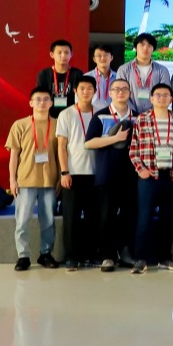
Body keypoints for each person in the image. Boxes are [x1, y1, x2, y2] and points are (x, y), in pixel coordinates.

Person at [128, 83, 173, 274]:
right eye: (158, 95)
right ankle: (140, 259)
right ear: (151, 98)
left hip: (171, 175)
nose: (162, 98)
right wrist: (140, 169)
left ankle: (164, 258)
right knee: (144, 218)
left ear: (171, 99)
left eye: (166, 95)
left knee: (167, 218)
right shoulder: (142, 119)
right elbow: (133, 149)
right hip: (148, 175)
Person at [84, 79, 136, 272]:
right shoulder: (100, 116)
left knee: (129, 215)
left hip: (131, 175)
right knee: (107, 216)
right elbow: (89, 143)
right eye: (116, 89)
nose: (120, 92)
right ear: (110, 93)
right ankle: (107, 255)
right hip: (107, 174)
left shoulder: (137, 117)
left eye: (124, 89)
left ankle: (125, 253)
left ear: (129, 92)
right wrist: (114, 138)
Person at [8, 88, 61, 271]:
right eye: (37, 99)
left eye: (46, 99)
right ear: (30, 103)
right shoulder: (20, 125)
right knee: (22, 220)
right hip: (25, 180)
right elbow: (14, 155)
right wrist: (12, 180)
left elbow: (61, 154)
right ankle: (23, 256)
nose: (42, 103)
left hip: (49, 181)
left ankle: (45, 254)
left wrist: (60, 177)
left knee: (48, 221)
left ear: (51, 103)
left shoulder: (58, 124)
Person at [56, 75, 100, 271]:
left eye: (89, 88)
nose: (85, 92)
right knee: (71, 218)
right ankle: (71, 257)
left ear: (95, 91)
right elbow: (61, 146)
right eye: (82, 88)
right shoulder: (66, 114)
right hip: (73, 173)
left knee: (93, 217)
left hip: (96, 174)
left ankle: (89, 254)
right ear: (75, 91)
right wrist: (64, 172)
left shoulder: (100, 112)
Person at [116, 33, 172, 114]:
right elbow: (120, 92)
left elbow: (165, 93)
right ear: (136, 47)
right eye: (142, 45)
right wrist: (132, 112)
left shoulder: (162, 70)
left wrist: (152, 113)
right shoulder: (124, 69)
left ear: (153, 49)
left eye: (149, 46)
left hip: (154, 115)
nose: (145, 48)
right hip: (129, 114)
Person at [37, 39, 84, 119]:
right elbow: (40, 96)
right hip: (49, 116)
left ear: (71, 54)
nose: (63, 55)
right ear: (52, 54)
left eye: (66, 52)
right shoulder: (44, 74)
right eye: (59, 52)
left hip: (72, 116)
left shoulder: (78, 74)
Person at [89, 44, 117, 109]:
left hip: (113, 112)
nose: (102, 58)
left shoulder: (118, 77)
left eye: (106, 55)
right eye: (99, 55)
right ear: (94, 59)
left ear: (111, 57)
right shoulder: (87, 77)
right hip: (93, 112)